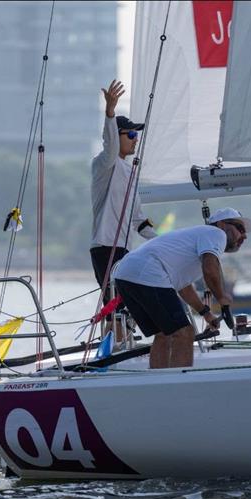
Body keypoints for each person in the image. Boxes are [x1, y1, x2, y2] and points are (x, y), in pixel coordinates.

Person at [113, 207, 251, 368]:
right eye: (240, 228)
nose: (244, 236)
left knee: (164, 334)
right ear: (222, 225)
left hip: (124, 274)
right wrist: (222, 297)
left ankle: (159, 382)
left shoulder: (196, 239)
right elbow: (210, 267)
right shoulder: (216, 234)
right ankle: (179, 383)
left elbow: (184, 286)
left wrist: (205, 313)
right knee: (185, 333)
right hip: (149, 272)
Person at [90, 79, 158, 339]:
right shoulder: (104, 164)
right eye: (130, 135)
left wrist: (163, 242)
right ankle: (113, 347)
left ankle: (118, 343)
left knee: (123, 304)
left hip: (125, 248)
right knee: (116, 305)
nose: (135, 139)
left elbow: (139, 220)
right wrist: (110, 113)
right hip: (105, 246)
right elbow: (110, 147)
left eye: (136, 135)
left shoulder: (131, 172)